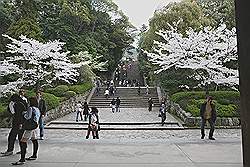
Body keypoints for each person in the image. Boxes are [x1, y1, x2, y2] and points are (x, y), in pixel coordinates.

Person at [12, 97, 40, 165]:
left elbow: (28, 117)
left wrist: (24, 113)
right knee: (34, 140)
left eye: (29, 101)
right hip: (35, 126)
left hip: (30, 127)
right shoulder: (37, 109)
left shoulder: (30, 108)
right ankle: (34, 155)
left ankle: (22, 159)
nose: (28, 102)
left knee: (22, 142)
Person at [1, 91, 28, 156]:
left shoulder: (16, 104)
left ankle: (10, 150)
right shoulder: (23, 102)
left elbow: (14, 113)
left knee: (11, 137)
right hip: (22, 122)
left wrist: (11, 105)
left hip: (17, 122)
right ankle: (23, 150)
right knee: (21, 137)